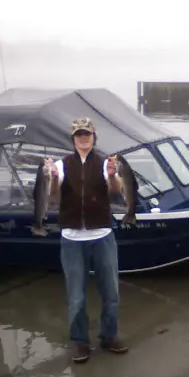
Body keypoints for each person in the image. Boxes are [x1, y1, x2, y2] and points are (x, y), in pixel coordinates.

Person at [48, 117, 128, 363]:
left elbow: (117, 189)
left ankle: (109, 336)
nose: (83, 138)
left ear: (94, 137)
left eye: (87, 134)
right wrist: (52, 178)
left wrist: (113, 175)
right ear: (73, 139)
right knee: (77, 296)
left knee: (111, 292)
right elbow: (53, 197)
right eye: (79, 134)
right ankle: (80, 341)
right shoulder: (61, 165)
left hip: (102, 236)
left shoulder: (105, 163)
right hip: (71, 239)